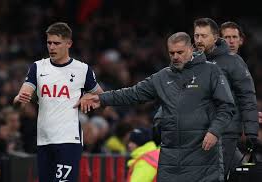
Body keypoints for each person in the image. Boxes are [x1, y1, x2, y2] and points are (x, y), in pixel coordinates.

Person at [76, 32, 235, 182]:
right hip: (171, 159)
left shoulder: (211, 71)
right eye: (171, 53)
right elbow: (133, 93)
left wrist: (214, 131)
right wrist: (102, 99)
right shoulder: (162, 77)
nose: (175, 57)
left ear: (191, 49)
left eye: (180, 52)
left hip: (203, 156)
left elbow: (227, 106)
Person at [13, 22, 103, 182]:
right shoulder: (38, 67)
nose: (52, 47)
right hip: (44, 139)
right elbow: (20, 97)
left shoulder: (82, 70)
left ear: (69, 43)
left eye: (57, 43)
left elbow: (102, 97)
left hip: (69, 139)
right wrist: (19, 99)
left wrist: (89, 97)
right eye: (49, 43)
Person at [193, 17, 259, 180]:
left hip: (225, 130)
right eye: (196, 36)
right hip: (199, 130)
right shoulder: (192, 61)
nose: (199, 40)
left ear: (215, 38)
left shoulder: (234, 62)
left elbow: (247, 97)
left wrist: (251, 133)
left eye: (203, 36)